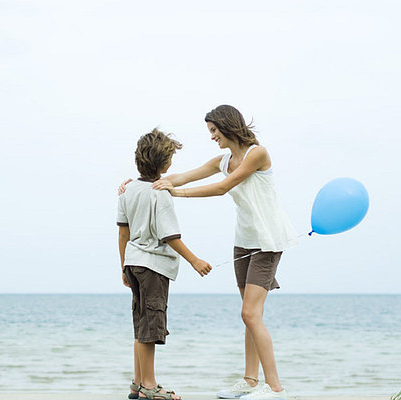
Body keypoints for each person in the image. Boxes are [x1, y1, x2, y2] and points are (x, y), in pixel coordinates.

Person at [119, 106, 297, 400]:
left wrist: (177, 193)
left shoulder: (257, 153)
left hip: (268, 239)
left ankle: (275, 388)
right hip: (245, 240)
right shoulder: (222, 160)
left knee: (250, 313)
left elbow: (223, 187)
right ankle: (250, 381)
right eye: (210, 131)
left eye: (214, 130)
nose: (212, 136)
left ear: (229, 126)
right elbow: (183, 176)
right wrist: (138, 184)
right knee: (249, 315)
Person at [118, 128, 212, 400]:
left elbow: (123, 232)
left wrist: (123, 265)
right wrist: (195, 261)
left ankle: (137, 382)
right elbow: (170, 235)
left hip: (133, 264)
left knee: (141, 324)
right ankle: (150, 385)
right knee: (150, 328)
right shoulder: (161, 193)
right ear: (166, 164)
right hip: (153, 268)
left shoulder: (127, 191)